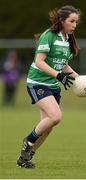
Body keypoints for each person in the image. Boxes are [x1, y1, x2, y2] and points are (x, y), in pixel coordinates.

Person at [17, 5, 81, 168]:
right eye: (71, 21)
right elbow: (39, 61)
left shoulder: (67, 39)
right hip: (37, 82)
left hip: (52, 86)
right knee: (55, 116)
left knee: (47, 128)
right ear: (61, 20)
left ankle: (25, 158)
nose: (74, 25)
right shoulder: (49, 36)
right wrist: (58, 75)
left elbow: (63, 64)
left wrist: (78, 78)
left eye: (76, 22)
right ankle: (28, 141)